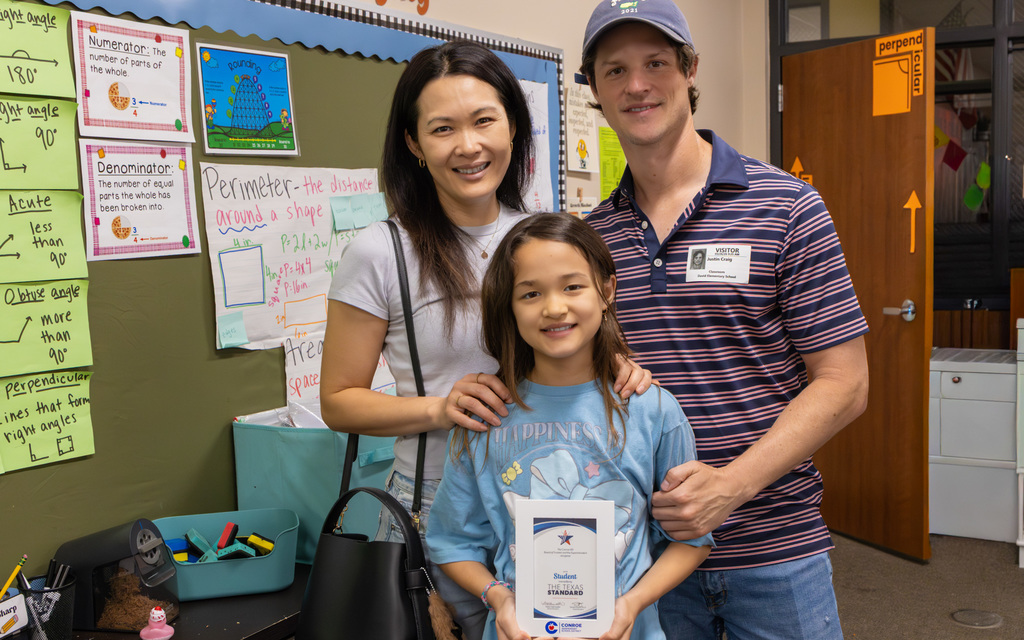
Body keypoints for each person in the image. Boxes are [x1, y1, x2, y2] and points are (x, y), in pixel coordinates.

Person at [319, 41, 649, 639]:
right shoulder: (380, 251)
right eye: (442, 128)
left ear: (513, 128)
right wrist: (439, 408)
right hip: (435, 511)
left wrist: (620, 366)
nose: (468, 146)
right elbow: (338, 400)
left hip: (550, 498)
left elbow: (582, 334)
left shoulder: (539, 234)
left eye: (484, 121)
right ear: (414, 145)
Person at [578, 1, 870, 638]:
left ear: (689, 69)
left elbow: (845, 384)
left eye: (656, 63)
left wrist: (730, 486)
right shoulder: (591, 240)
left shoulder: (786, 205)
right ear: (593, 89)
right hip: (649, 564)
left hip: (776, 554)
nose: (637, 85)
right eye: (614, 70)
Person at [426, 213, 712, 640]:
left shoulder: (653, 411)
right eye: (531, 293)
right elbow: (451, 542)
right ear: (509, 306)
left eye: (572, 286)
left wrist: (632, 603)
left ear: (607, 290)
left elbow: (692, 539)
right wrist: (499, 598)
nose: (554, 307)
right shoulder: (484, 417)